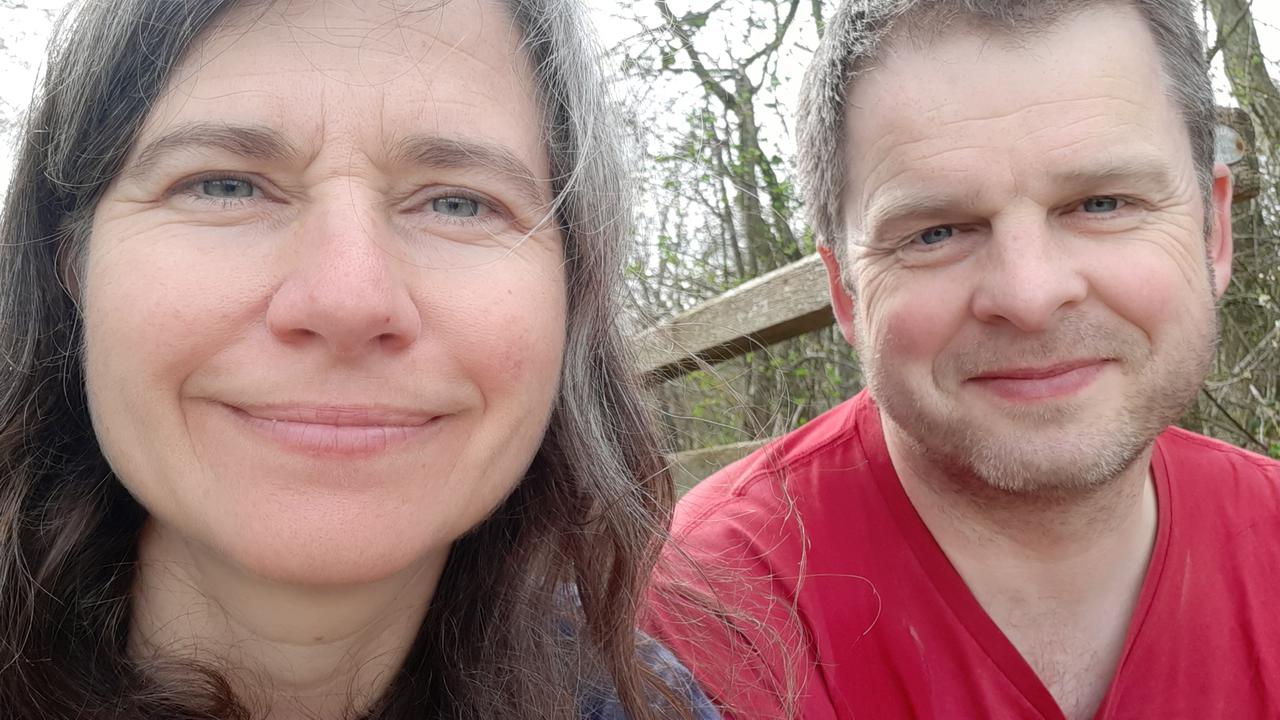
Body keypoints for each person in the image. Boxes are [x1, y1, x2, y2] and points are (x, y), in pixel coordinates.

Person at [0, 1, 719, 719]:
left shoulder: (638, 699)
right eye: (223, 185)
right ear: (72, 263)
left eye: (459, 204)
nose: (348, 299)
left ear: (572, 293)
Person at [645, 1, 1280, 718]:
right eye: (935, 232)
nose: (1030, 294)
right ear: (845, 293)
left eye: (1102, 203)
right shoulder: (695, 628)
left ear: (1214, 231)